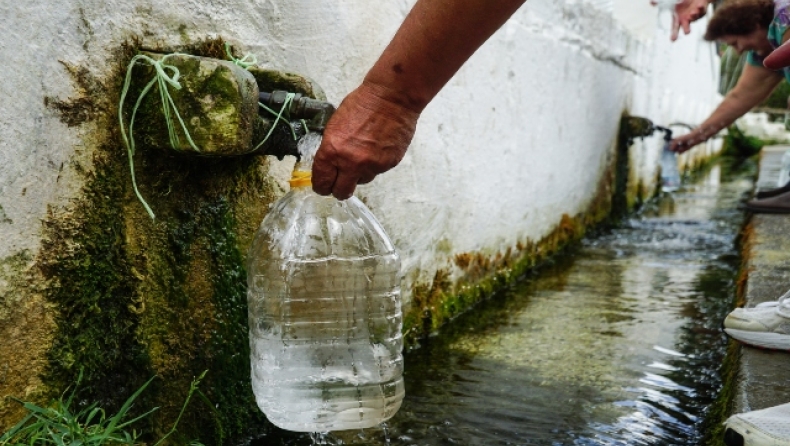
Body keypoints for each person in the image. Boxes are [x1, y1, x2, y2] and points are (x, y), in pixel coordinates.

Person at [669, 0, 787, 155]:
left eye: (735, 43)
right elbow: (740, 98)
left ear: (754, 25)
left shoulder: (784, 17)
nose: (738, 51)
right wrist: (695, 137)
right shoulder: (765, 51)